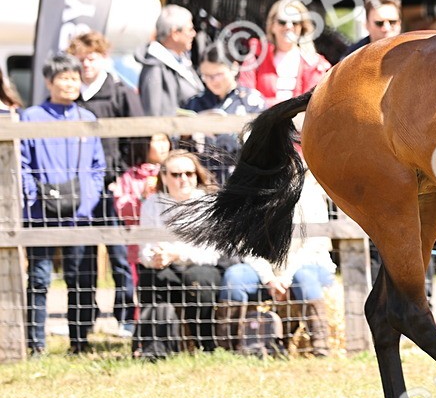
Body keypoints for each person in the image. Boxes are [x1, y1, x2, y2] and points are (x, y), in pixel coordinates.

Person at [20, 54, 106, 355]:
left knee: (80, 277)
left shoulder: (87, 119)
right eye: (64, 78)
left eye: (74, 77)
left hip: (80, 214)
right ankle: (35, 344)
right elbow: (21, 163)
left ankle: (79, 343)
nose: (70, 84)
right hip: (40, 212)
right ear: (49, 81)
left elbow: (98, 167)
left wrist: (90, 197)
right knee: (40, 277)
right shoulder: (30, 117)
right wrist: (34, 195)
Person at [68, 31, 143, 338]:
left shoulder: (121, 92)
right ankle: (83, 322)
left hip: (113, 186)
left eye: (91, 58)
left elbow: (139, 138)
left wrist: (122, 176)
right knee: (81, 258)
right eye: (81, 59)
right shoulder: (70, 93)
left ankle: (125, 319)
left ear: (103, 58)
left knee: (120, 256)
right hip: (78, 188)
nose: (86, 65)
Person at [219, 172, 335, 356]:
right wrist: (270, 279)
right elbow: (246, 246)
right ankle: (228, 349)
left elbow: (313, 244)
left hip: (309, 267)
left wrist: (286, 277)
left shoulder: (310, 193)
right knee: (235, 276)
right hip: (266, 272)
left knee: (303, 278)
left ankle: (321, 348)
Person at [136, 150, 225, 354]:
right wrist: (155, 258)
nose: (183, 179)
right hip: (164, 266)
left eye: (189, 173)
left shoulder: (208, 203)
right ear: (164, 177)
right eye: (176, 175)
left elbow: (211, 253)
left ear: (197, 175)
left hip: (200, 266)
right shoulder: (152, 204)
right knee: (151, 278)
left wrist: (177, 253)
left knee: (199, 278)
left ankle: (204, 343)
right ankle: (156, 348)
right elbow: (144, 248)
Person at [184, 42, 267, 183]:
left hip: (244, 181)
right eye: (206, 76)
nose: (212, 81)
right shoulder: (194, 103)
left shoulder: (252, 101)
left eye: (218, 74)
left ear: (233, 67)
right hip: (202, 183)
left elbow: (264, 143)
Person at [239, 0, 331, 107]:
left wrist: (271, 104)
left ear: (302, 27)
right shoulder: (256, 57)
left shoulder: (314, 63)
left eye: (295, 23)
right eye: (282, 22)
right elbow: (245, 97)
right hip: (262, 122)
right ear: (272, 26)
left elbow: (314, 103)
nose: (288, 26)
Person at [111, 132, 172, 269]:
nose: (163, 146)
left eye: (165, 140)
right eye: (157, 141)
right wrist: (142, 197)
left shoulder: (177, 172)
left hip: (174, 243)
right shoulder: (131, 176)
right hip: (141, 248)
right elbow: (123, 210)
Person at [136, 5, 204, 117]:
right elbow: (153, 112)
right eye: (190, 29)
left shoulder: (181, 59)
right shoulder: (155, 67)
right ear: (175, 34)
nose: (194, 34)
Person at [339, 0, 403, 60]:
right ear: (366, 25)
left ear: (399, 23)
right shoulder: (353, 57)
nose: (387, 28)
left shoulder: (412, 50)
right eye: (379, 23)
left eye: (392, 22)